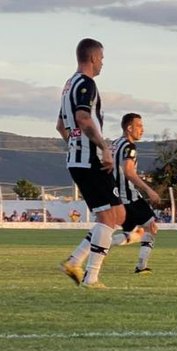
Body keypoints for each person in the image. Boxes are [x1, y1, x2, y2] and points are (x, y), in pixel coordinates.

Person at [57, 38, 125, 289]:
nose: (103, 63)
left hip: (80, 159)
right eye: (102, 59)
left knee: (118, 213)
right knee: (109, 217)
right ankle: (90, 277)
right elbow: (83, 119)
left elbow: (61, 126)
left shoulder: (68, 85)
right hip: (89, 160)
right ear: (94, 57)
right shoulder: (86, 83)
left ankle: (75, 261)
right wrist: (104, 148)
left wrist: (74, 144)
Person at [109, 113, 161, 274]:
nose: (142, 130)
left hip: (117, 194)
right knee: (151, 228)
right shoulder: (129, 147)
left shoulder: (115, 143)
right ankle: (141, 266)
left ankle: (102, 243)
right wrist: (149, 190)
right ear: (129, 128)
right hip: (129, 195)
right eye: (139, 126)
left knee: (135, 232)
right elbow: (129, 172)